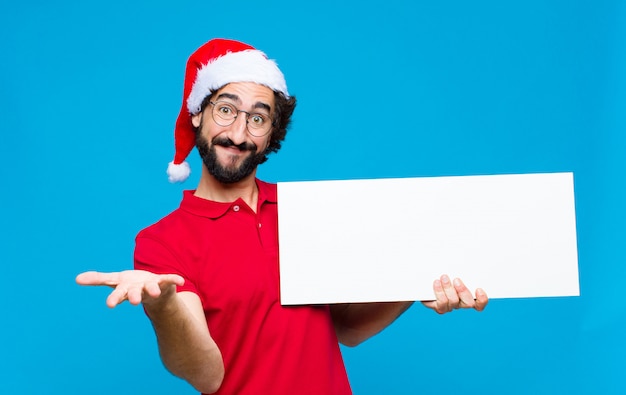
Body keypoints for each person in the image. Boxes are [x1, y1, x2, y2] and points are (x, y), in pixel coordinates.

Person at [76, 38, 488, 395]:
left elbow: (348, 327)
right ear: (197, 113)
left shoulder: (308, 211)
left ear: (272, 132)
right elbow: (206, 374)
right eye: (225, 110)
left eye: (257, 118)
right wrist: (164, 306)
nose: (238, 134)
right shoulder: (162, 242)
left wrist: (414, 283)